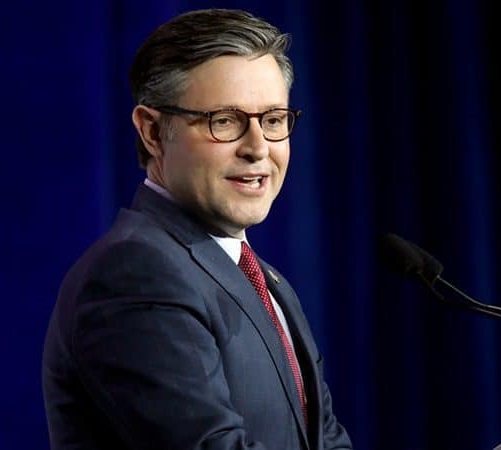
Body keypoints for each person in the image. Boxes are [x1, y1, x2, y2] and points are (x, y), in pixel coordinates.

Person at [42, 8, 353, 450]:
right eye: (224, 121)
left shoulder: (266, 280)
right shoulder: (136, 273)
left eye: (274, 120)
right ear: (152, 131)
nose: (258, 148)